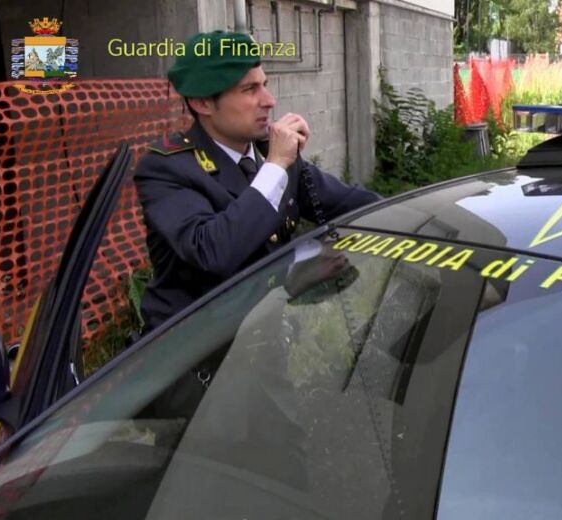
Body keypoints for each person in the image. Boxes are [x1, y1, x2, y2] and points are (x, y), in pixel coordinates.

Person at [134, 30, 380, 332]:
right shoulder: (167, 167)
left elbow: (353, 204)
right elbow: (213, 251)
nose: (269, 101)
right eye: (250, 89)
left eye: (265, 85)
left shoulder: (269, 155)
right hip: (192, 347)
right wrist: (275, 167)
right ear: (202, 103)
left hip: (261, 336)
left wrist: (426, 219)